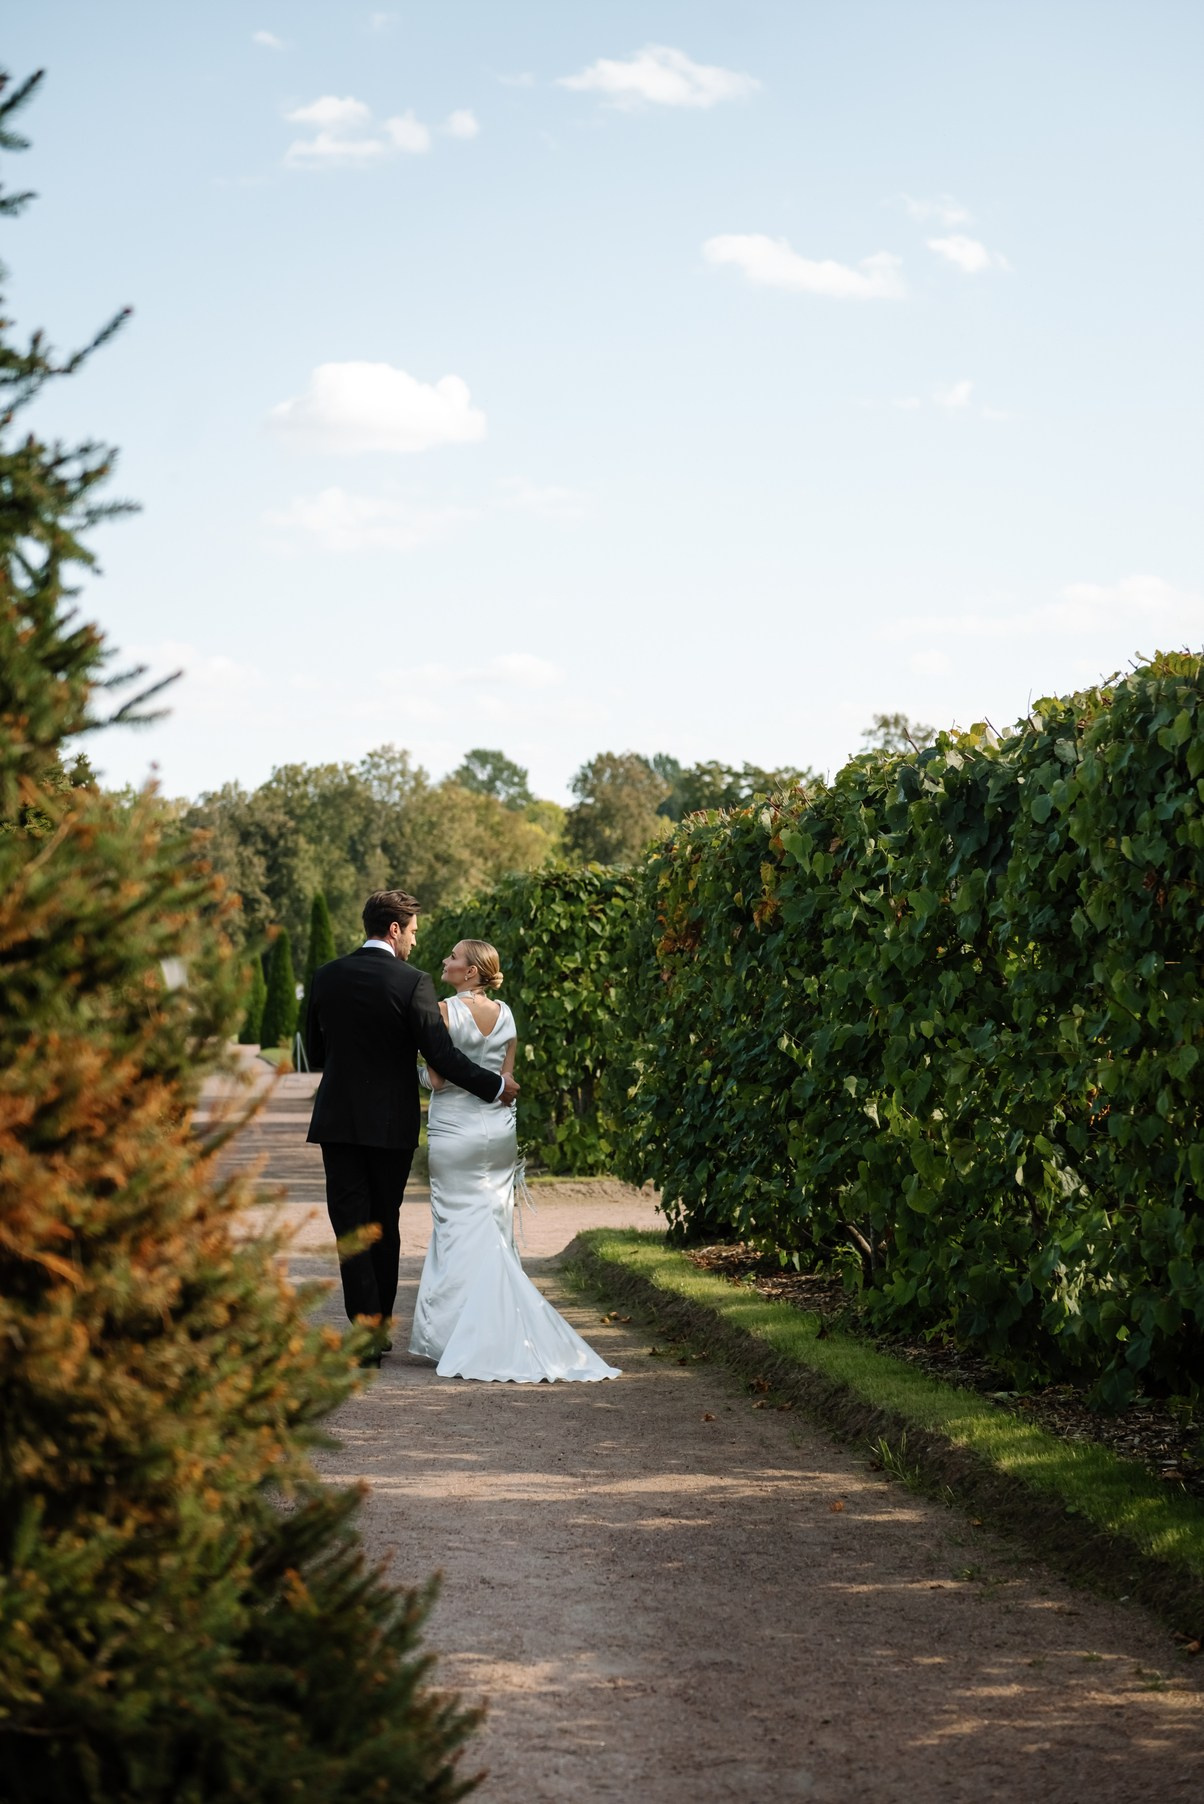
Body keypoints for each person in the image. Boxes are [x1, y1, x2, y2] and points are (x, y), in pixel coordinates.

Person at [306, 889, 520, 1363]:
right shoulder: (412, 982)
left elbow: (317, 1053)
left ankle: (365, 1334)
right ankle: (378, 1325)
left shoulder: (326, 975)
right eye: (413, 932)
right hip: (391, 1122)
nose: (415, 942)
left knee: (350, 1226)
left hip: (338, 1121)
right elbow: (441, 1055)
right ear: (394, 929)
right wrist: (494, 1085)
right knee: (384, 1220)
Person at [410, 937, 619, 1384]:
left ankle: (456, 1335)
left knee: (454, 1226)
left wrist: (412, 1072)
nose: (446, 960)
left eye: (453, 957)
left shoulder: (444, 1012)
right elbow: (506, 1079)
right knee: (493, 1224)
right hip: (498, 1130)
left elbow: (439, 1081)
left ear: (470, 971)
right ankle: (499, 1326)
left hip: (455, 1130)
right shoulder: (505, 1013)